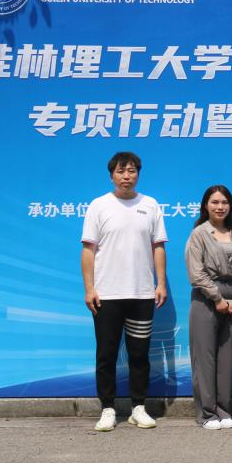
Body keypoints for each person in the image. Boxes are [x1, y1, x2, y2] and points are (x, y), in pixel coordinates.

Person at [80, 152, 167, 432]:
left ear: (138, 174)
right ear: (112, 176)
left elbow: (158, 246)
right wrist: (89, 288)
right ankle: (107, 408)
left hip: (141, 294)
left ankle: (138, 407)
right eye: (121, 171)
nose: (126, 176)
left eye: (131, 171)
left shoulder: (150, 205)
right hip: (106, 295)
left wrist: (160, 283)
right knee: (106, 355)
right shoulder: (99, 205)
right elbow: (88, 250)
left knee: (139, 355)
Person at [185, 185, 232, 430]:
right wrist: (217, 298)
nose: (220, 207)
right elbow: (196, 273)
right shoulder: (199, 234)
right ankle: (207, 413)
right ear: (206, 206)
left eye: (224, 202)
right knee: (205, 358)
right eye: (215, 202)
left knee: (226, 357)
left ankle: (223, 409)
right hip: (206, 298)